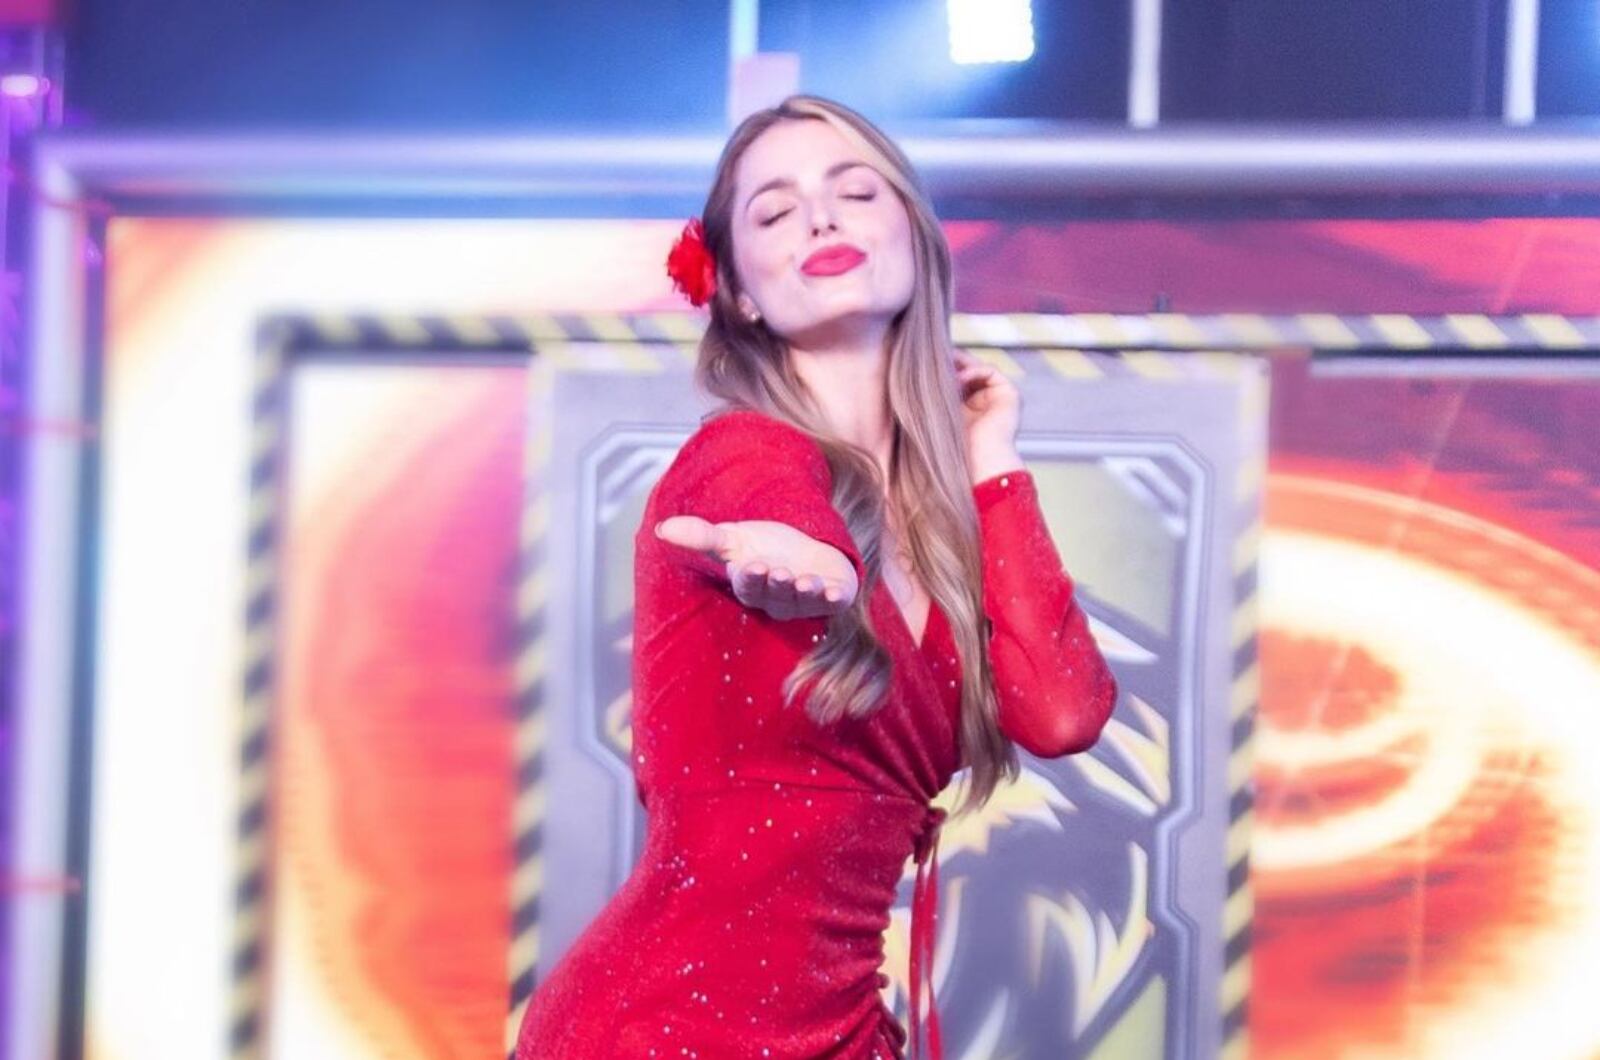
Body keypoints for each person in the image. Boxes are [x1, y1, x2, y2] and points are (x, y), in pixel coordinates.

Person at [513, 93, 1117, 1060]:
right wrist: (808, 561)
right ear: (741, 293)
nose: (822, 219)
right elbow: (777, 506)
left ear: (915, 241)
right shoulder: (738, 453)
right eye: (775, 212)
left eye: (855, 192)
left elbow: (1062, 714)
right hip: (662, 1033)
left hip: (840, 1033)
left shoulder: (950, 537)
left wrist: (992, 461)